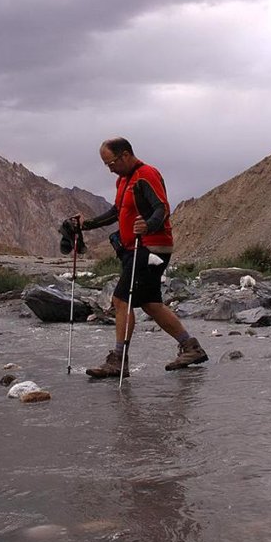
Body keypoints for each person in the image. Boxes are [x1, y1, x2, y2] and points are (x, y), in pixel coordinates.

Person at [77, 137, 207, 378]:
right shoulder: (123, 180)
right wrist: (86, 225)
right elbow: (117, 212)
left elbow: (162, 208)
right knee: (150, 303)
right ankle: (191, 348)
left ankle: (119, 361)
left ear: (125, 155)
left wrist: (148, 225)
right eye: (106, 165)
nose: (110, 169)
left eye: (111, 163)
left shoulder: (146, 174)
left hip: (150, 248)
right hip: (135, 249)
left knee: (120, 300)